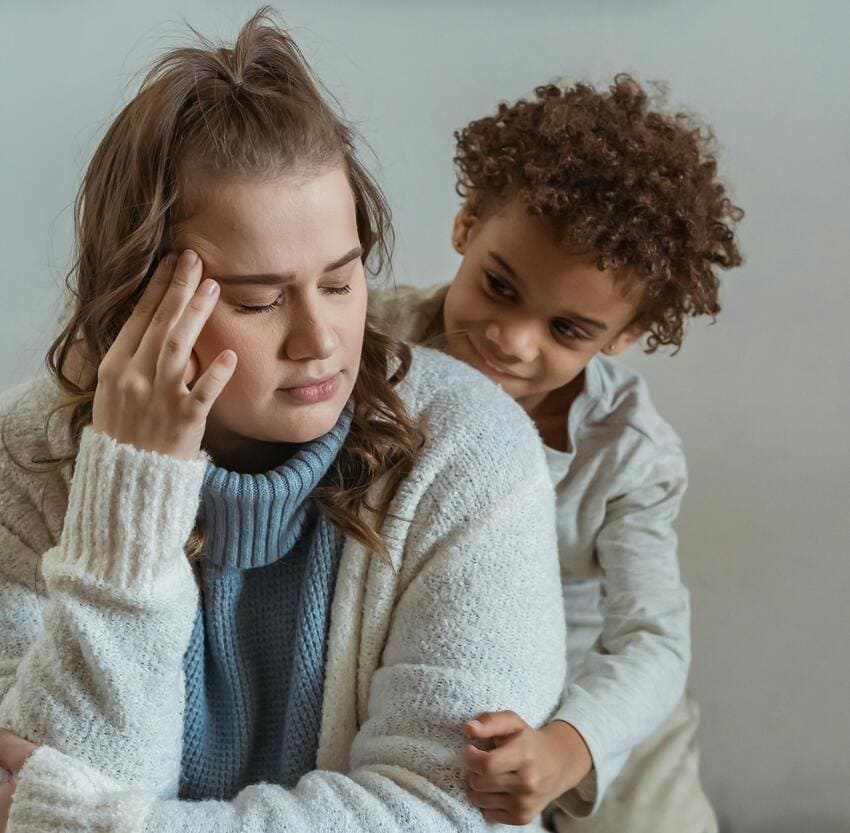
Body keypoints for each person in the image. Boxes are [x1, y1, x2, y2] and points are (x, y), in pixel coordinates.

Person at [0, 9, 567, 832]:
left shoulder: (472, 454)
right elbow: (46, 768)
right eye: (257, 299)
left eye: (340, 284)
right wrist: (129, 493)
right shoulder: (28, 458)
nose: (320, 341)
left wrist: (106, 826)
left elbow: (436, 811)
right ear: (137, 300)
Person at [370, 76, 744, 832]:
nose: (513, 339)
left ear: (623, 339)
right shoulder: (372, 345)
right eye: (499, 286)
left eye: (568, 330)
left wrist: (571, 744)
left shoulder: (629, 451)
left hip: (597, 711)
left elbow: (652, 641)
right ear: (466, 225)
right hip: (445, 684)